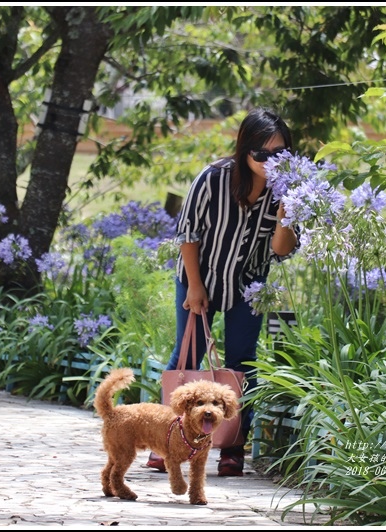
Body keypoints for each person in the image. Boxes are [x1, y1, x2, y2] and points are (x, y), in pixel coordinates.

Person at [148, 107, 299, 477]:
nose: (269, 162)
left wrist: (285, 212)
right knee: (187, 357)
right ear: (244, 150)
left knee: (242, 363)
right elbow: (188, 233)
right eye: (260, 154)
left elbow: (282, 251)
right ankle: (166, 440)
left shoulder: (290, 188)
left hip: (249, 284)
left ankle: (231, 446)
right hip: (200, 273)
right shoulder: (212, 179)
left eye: (279, 154)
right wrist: (195, 287)